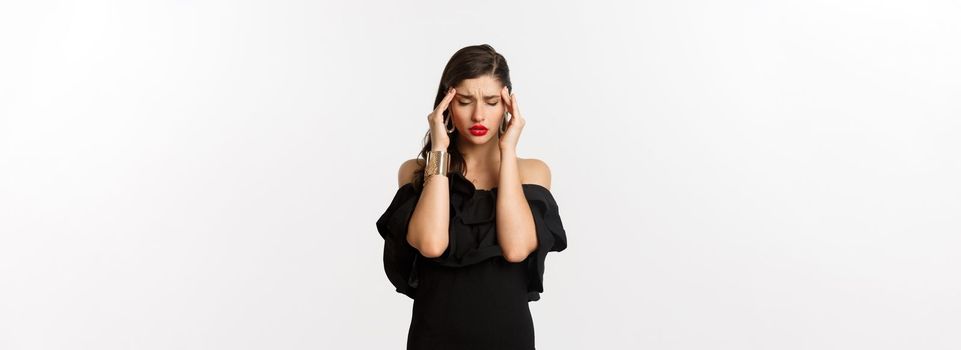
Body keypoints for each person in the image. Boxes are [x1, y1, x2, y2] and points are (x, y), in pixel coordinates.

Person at [375, 44, 568, 350]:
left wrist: (508, 151)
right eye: (465, 101)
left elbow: (516, 248)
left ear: (507, 105)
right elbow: (431, 243)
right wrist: (438, 149)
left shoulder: (532, 172)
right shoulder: (417, 172)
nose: (479, 115)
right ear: (446, 105)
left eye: (491, 102)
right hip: (433, 337)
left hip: (508, 338)